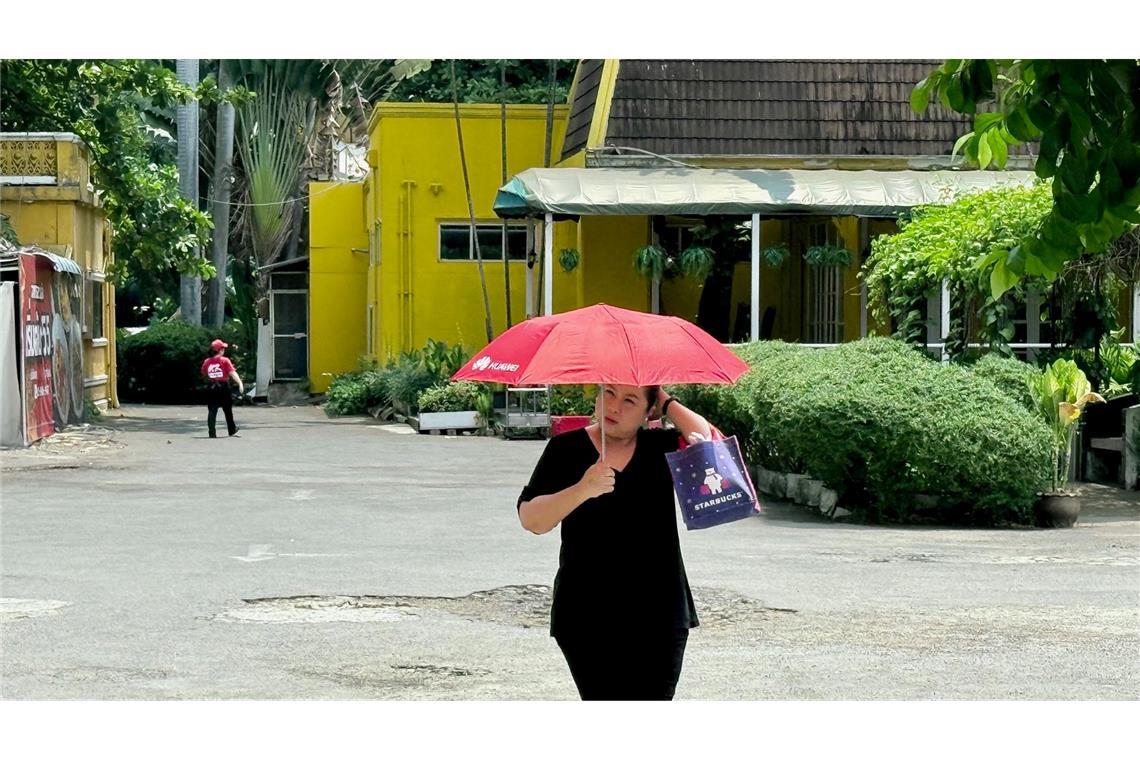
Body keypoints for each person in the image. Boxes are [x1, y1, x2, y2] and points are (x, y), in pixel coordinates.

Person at [517, 383, 714, 700]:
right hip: (587, 615)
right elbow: (531, 519)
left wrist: (665, 401)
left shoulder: (660, 446)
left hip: (660, 614)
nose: (614, 406)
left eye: (629, 400)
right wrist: (583, 489)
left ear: (648, 411)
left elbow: (706, 437)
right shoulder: (565, 449)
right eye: (608, 393)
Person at [201, 339, 243, 438]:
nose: (224, 350)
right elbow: (232, 373)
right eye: (223, 348)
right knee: (227, 409)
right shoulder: (224, 360)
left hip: (211, 387)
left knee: (212, 410)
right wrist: (240, 383)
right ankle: (231, 429)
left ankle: (212, 432)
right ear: (219, 350)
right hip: (223, 386)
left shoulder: (207, 361)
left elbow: (203, 372)